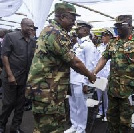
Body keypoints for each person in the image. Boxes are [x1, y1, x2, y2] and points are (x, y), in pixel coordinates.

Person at [27, 2, 96, 133]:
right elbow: (75, 62)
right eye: (72, 19)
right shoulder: (55, 32)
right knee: (47, 128)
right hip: (46, 92)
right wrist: (90, 75)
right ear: (63, 16)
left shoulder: (53, 30)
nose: (74, 24)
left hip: (50, 90)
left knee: (51, 126)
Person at [93, 15, 134, 132]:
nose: (117, 28)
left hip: (128, 90)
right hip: (113, 89)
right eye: (116, 25)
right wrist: (94, 72)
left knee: (125, 123)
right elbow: (104, 58)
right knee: (111, 119)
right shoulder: (113, 42)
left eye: (120, 25)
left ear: (129, 26)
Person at [0, 18, 36, 133]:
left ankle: (15, 127)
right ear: (22, 25)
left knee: (20, 104)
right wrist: (10, 75)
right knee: (8, 103)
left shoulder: (32, 40)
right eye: (29, 26)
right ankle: (1, 125)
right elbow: (4, 56)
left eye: (32, 26)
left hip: (25, 78)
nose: (31, 28)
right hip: (11, 77)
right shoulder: (11, 37)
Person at [65, 21, 96, 133]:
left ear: (86, 30)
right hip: (73, 79)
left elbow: (90, 65)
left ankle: (81, 128)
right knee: (72, 104)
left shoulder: (88, 45)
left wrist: (86, 83)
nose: (76, 30)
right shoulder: (77, 44)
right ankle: (74, 125)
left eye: (79, 29)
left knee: (81, 106)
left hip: (80, 80)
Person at [95, 29, 113, 120]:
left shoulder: (113, 47)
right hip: (99, 74)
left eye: (105, 35)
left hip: (108, 75)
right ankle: (100, 111)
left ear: (110, 36)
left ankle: (107, 114)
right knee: (99, 95)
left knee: (107, 96)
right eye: (102, 35)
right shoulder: (99, 47)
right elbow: (96, 61)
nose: (103, 37)